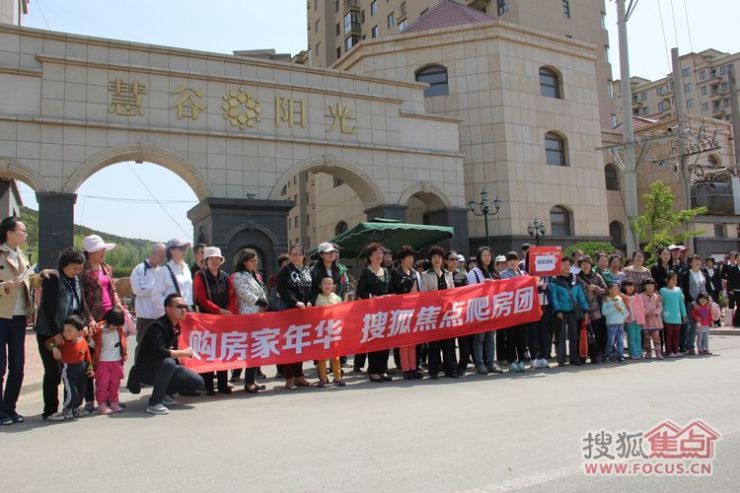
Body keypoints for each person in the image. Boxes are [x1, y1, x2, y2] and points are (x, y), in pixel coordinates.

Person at [34, 247, 88, 421]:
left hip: (69, 333)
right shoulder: (54, 279)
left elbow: (81, 305)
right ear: (64, 265)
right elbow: (49, 309)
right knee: (53, 371)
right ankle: (50, 410)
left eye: (80, 268)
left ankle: (70, 406)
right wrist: (57, 332)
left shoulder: (76, 281)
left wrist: (84, 324)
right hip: (49, 332)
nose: (77, 271)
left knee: (71, 370)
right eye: (74, 267)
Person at [134, 294, 204, 415]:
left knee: (197, 382)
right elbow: (159, 352)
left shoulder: (175, 326)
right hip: (147, 370)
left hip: (164, 368)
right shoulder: (157, 327)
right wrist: (184, 353)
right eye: (179, 306)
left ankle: (164, 393)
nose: (184, 310)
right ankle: (155, 403)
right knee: (169, 362)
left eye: (185, 307)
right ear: (168, 309)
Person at [0, 216, 33, 425]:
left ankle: (9, 408)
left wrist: (39, 276)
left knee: (18, 365)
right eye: (22, 230)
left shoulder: (22, 256)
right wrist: (5, 286)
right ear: (9, 233)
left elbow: (27, 281)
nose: (25, 234)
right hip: (2, 315)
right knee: (0, 367)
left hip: (20, 316)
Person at [193, 246, 236, 395]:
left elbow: (232, 294)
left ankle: (223, 384)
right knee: (209, 352)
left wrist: (229, 310)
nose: (215, 261)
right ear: (206, 260)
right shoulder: (200, 276)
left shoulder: (225, 276)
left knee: (223, 351)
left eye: (217, 259)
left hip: (223, 320)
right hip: (207, 320)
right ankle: (209, 385)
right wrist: (219, 311)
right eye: (212, 259)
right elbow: (202, 299)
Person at [231, 248, 268, 393]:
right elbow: (244, 293)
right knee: (250, 349)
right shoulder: (238, 276)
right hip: (247, 315)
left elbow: (262, 291)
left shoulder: (256, 276)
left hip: (258, 315)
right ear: (244, 262)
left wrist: (264, 302)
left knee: (256, 348)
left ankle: (252, 379)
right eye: (252, 260)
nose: (255, 263)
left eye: (256, 260)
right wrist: (260, 301)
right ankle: (248, 382)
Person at [277, 245, 313, 389]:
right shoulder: (286, 270)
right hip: (291, 311)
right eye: (293, 254)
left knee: (301, 345)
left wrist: (309, 301)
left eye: (298, 254)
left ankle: (299, 376)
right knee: (291, 345)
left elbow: (313, 288)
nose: (295, 257)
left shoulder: (307, 270)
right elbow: (282, 289)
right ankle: (289, 378)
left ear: (304, 255)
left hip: (305, 312)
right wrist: (295, 302)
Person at [356, 242, 393, 382]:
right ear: (369, 257)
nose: (379, 255)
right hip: (371, 312)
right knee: (374, 341)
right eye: (375, 253)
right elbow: (361, 291)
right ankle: (373, 370)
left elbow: (390, 289)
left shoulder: (386, 272)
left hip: (386, 311)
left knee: (385, 341)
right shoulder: (366, 272)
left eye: (381, 253)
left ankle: (383, 369)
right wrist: (374, 298)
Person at [46, 315, 94, 420]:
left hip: (82, 370)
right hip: (68, 371)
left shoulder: (83, 341)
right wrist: (54, 349)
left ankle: (76, 408)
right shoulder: (62, 341)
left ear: (80, 332)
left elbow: (88, 356)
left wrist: (90, 368)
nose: (65, 333)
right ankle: (67, 409)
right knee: (72, 393)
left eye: (69, 331)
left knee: (81, 391)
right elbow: (48, 343)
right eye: (64, 330)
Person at [420, 245, 457, 379]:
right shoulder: (425, 275)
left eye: (439, 257)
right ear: (430, 259)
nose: (437, 259)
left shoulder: (448, 274)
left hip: (446, 313)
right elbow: (424, 294)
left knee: (448, 343)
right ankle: (434, 370)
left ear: (443, 259)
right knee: (434, 344)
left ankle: (450, 370)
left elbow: (452, 292)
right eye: (434, 257)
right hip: (433, 313)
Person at [549, 257, 589, 366]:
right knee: (560, 335)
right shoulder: (554, 280)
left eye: (568, 264)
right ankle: (561, 359)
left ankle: (574, 359)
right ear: (558, 266)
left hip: (573, 311)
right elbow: (554, 297)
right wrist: (557, 310)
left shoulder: (575, 279)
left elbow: (581, 297)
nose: (566, 266)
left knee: (574, 335)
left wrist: (586, 310)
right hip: (561, 311)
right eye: (563, 264)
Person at [390, 245, 421, 380]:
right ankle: (406, 369)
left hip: (413, 309)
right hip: (400, 310)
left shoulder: (414, 273)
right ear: (402, 259)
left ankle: (413, 367)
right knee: (404, 342)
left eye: (412, 257)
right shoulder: (395, 273)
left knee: (413, 341)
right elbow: (395, 291)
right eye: (408, 258)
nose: (411, 260)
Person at [466, 247, 500, 375]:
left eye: (489, 255)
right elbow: (470, 290)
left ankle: (491, 362)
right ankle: (479, 363)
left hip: (492, 308)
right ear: (479, 257)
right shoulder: (474, 272)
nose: (487, 258)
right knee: (479, 337)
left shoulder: (494, 272)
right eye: (484, 255)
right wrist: (484, 285)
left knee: (490, 337)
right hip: (479, 309)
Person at [130, 242, 166, 359]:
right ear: (152, 253)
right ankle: (139, 374)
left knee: (159, 347)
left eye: (164, 256)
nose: (162, 259)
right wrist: (157, 288)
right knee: (142, 346)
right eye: (160, 255)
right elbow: (138, 289)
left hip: (160, 316)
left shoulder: (162, 271)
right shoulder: (139, 269)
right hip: (145, 316)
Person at [91, 308, 128, 415]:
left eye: (118, 325)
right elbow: (92, 345)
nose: (116, 327)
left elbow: (123, 343)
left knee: (115, 384)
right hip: (102, 362)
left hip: (116, 362)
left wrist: (124, 355)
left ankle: (113, 402)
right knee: (102, 384)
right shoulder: (98, 331)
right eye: (115, 325)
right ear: (108, 321)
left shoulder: (119, 330)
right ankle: (101, 404)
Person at [313, 277, 346, 387]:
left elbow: (341, 312)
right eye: (325, 283)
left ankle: (337, 377)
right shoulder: (317, 298)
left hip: (334, 330)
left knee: (336, 356)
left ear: (333, 286)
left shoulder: (336, 298)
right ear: (320, 286)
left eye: (330, 284)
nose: (327, 286)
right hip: (321, 331)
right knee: (322, 356)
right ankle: (323, 378)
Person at [500, 251, 529, 372]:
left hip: (521, 310)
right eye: (510, 260)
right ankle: (512, 361)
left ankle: (522, 360)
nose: (513, 262)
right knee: (511, 337)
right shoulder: (503, 274)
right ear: (507, 263)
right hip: (510, 309)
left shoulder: (524, 273)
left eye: (515, 260)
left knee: (521, 337)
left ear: (518, 261)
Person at [576, 256, 607, 364]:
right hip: (582, 310)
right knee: (583, 334)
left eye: (587, 263)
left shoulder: (597, 276)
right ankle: (583, 355)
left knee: (596, 334)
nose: (585, 266)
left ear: (590, 264)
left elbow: (605, 290)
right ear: (580, 266)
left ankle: (595, 355)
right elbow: (574, 292)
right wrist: (585, 288)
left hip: (596, 310)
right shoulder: (576, 277)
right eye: (582, 264)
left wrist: (596, 289)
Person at [446, 250, 471, 375]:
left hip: (461, 312)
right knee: (449, 343)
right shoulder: (442, 275)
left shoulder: (463, 275)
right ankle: (452, 367)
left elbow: (468, 292)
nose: (454, 262)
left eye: (456, 259)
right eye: (451, 259)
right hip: (446, 313)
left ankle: (462, 367)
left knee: (464, 343)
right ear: (446, 261)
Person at [679, 254, 707, 355]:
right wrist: (693, 302)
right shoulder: (686, 274)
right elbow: (685, 291)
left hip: (703, 304)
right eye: (695, 261)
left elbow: (705, 289)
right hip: (691, 304)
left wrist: (708, 300)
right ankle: (690, 346)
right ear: (690, 263)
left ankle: (703, 347)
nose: (697, 262)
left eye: (698, 260)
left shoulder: (703, 273)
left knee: (703, 325)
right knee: (692, 326)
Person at [159, 238, 194, 308]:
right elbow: (156, 296)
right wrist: (170, 309)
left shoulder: (186, 269)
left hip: (188, 311)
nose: (184, 251)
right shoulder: (163, 271)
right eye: (181, 248)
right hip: (173, 314)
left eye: (185, 248)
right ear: (171, 251)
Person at [660, 271, 687, 358]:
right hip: (667, 316)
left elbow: (681, 303)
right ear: (667, 280)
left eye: (676, 280)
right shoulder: (663, 290)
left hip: (677, 316)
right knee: (669, 334)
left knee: (676, 334)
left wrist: (684, 315)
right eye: (672, 279)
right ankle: (669, 351)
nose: (674, 281)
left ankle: (676, 350)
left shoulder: (678, 290)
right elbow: (660, 304)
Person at [601, 283, 628, 363]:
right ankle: (607, 356)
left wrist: (620, 308)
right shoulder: (606, 299)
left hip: (620, 323)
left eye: (617, 288)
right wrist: (613, 307)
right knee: (610, 341)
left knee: (620, 341)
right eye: (615, 288)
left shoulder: (619, 298)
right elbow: (604, 312)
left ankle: (620, 356)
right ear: (610, 290)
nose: (617, 290)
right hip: (611, 324)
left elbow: (624, 310)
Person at [621, 280, 645, 360]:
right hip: (629, 320)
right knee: (631, 337)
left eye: (632, 286)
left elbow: (642, 309)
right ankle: (633, 353)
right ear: (624, 287)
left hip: (637, 320)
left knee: (638, 337)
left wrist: (642, 320)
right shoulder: (623, 297)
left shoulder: (638, 296)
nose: (630, 288)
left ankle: (639, 353)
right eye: (628, 286)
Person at [640, 278, 663, 359]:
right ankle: (648, 353)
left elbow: (660, 306)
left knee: (656, 338)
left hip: (655, 320)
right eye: (648, 285)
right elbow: (640, 306)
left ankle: (658, 353)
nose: (650, 287)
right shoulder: (641, 296)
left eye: (652, 285)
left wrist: (656, 312)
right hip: (646, 320)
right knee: (646, 338)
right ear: (644, 286)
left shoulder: (656, 296)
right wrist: (646, 312)